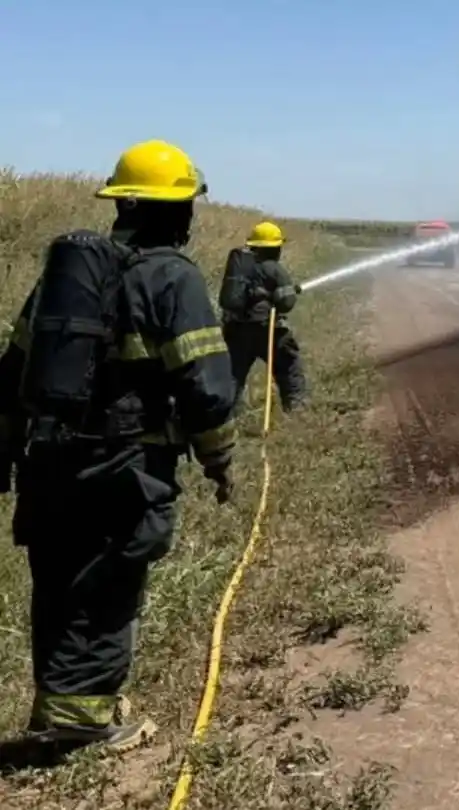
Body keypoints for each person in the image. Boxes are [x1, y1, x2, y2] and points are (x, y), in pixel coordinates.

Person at [0, 140, 237, 755]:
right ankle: (85, 725)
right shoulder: (173, 277)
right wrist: (219, 460)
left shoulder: (66, 278)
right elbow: (207, 390)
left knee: (57, 584)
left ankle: (59, 707)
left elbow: (14, 371)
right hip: (125, 468)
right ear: (177, 211)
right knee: (107, 585)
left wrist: (6, 451)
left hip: (48, 463)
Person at [218, 222, 305, 412]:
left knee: (233, 377)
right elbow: (287, 304)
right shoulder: (274, 269)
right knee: (289, 368)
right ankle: (296, 411)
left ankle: (224, 416)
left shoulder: (241, 267)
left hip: (236, 331)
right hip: (268, 329)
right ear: (276, 248)